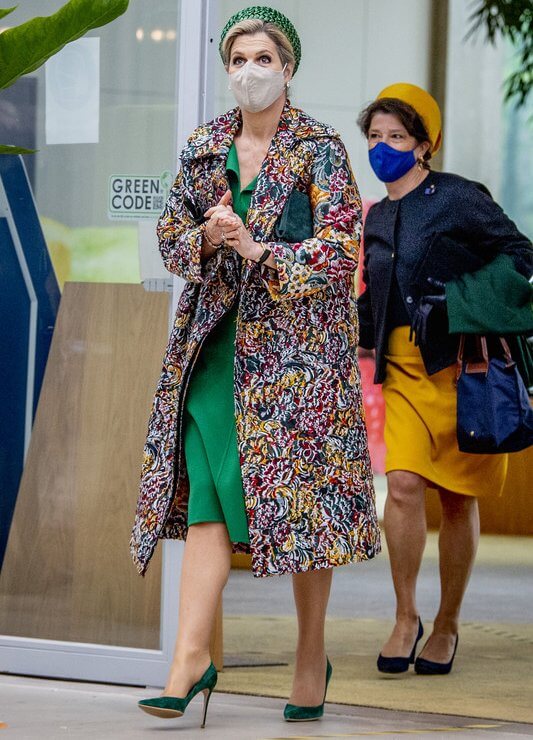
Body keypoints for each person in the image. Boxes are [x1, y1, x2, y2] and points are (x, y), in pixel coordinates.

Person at [131, 6, 380, 726]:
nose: (249, 72)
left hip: (295, 366)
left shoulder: (319, 148)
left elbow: (341, 250)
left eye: (263, 59)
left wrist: (256, 249)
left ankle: (310, 655)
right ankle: (188, 658)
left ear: (287, 67)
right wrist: (207, 239)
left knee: (302, 508)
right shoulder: (205, 145)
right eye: (237, 60)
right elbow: (170, 234)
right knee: (208, 497)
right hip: (213, 351)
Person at [357, 83, 532, 676]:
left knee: (458, 498)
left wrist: (459, 302)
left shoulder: (458, 197)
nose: (383, 147)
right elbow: (375, 294)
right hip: (404, 372)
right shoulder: (378, 216)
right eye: (375, 136)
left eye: (397, 136)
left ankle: (448, 623)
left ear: (425, 144)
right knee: (403, 485)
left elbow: (520, 255)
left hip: (463, 369)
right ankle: (405, 615)